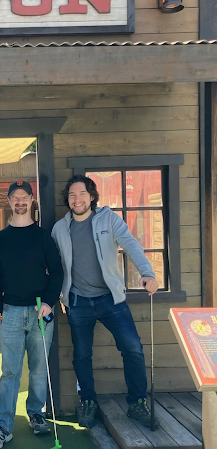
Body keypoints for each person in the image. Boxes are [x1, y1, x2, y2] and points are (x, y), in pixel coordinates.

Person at [51, 175, 160, 429]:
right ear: (68, 200)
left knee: (132, 348)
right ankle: (88, 401)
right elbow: (54, 266)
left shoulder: (108, 219)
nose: (76, 200)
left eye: (81, 194)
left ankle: (137, 403)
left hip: (112, 299)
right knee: (81, 355)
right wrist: (59, 296)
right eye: (72, 196)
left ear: (91, 196)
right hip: (78, 301)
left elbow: (131, 245)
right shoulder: (59, 229)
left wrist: (148, 273)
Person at [0, 181, 63, 449]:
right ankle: (3, 425)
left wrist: (50, 303)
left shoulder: (43, 236)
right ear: (9, 201)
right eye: (15, 197)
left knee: (39, 368)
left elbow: (58, 272)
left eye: (24, 197)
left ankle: (36, 413)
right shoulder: (2, 239)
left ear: (32, 200)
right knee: (10, 371)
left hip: (40, 311)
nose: (20, 201)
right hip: (11, 312)